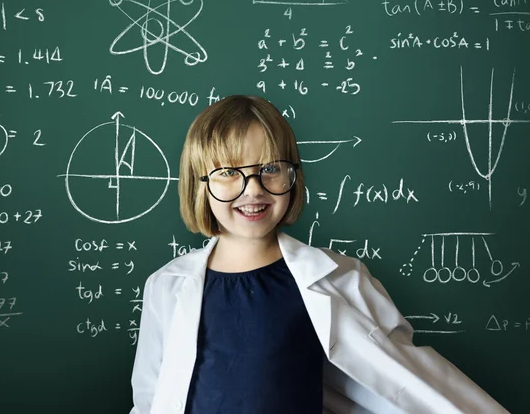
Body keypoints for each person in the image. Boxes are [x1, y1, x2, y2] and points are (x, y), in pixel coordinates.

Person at [129, 95, 508, 414]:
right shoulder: (167, 286)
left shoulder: (339, 279)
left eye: (271, 168)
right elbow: (150, 397)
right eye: (229, 172)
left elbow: (404, 375)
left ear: (293, 176)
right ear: (199, 184)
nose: (253, 189)